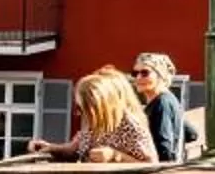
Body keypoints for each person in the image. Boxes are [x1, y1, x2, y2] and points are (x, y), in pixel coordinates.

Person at [25, 69, 155, 163]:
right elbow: (75, 149)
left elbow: (151, 165)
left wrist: (115, 155)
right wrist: (51, 148)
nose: (80, 113)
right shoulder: (90, 120)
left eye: (84, 108)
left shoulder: (130, 125)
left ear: (100, 106)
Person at [131, 52, 186, 163]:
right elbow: (192, 133)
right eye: (135, 73)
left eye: (145, 73)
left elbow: (164, 150)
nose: (138, 77)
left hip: (159, 171)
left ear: (161, 75)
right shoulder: (168, 99)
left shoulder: (162, 103)